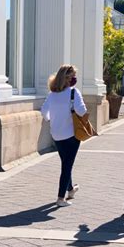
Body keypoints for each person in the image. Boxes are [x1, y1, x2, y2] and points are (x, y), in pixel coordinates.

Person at [41, 65, 87, 207]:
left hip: (56, 134)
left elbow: (44, 111)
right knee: (67, 165)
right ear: (68, 78)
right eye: (73, 76)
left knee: (66, 162)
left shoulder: (52, 94)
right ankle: (61, 198)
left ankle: (71, 189)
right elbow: (81, 111)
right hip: (72, 134)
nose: (75, 78)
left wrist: (52, 119)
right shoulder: (74, 92)